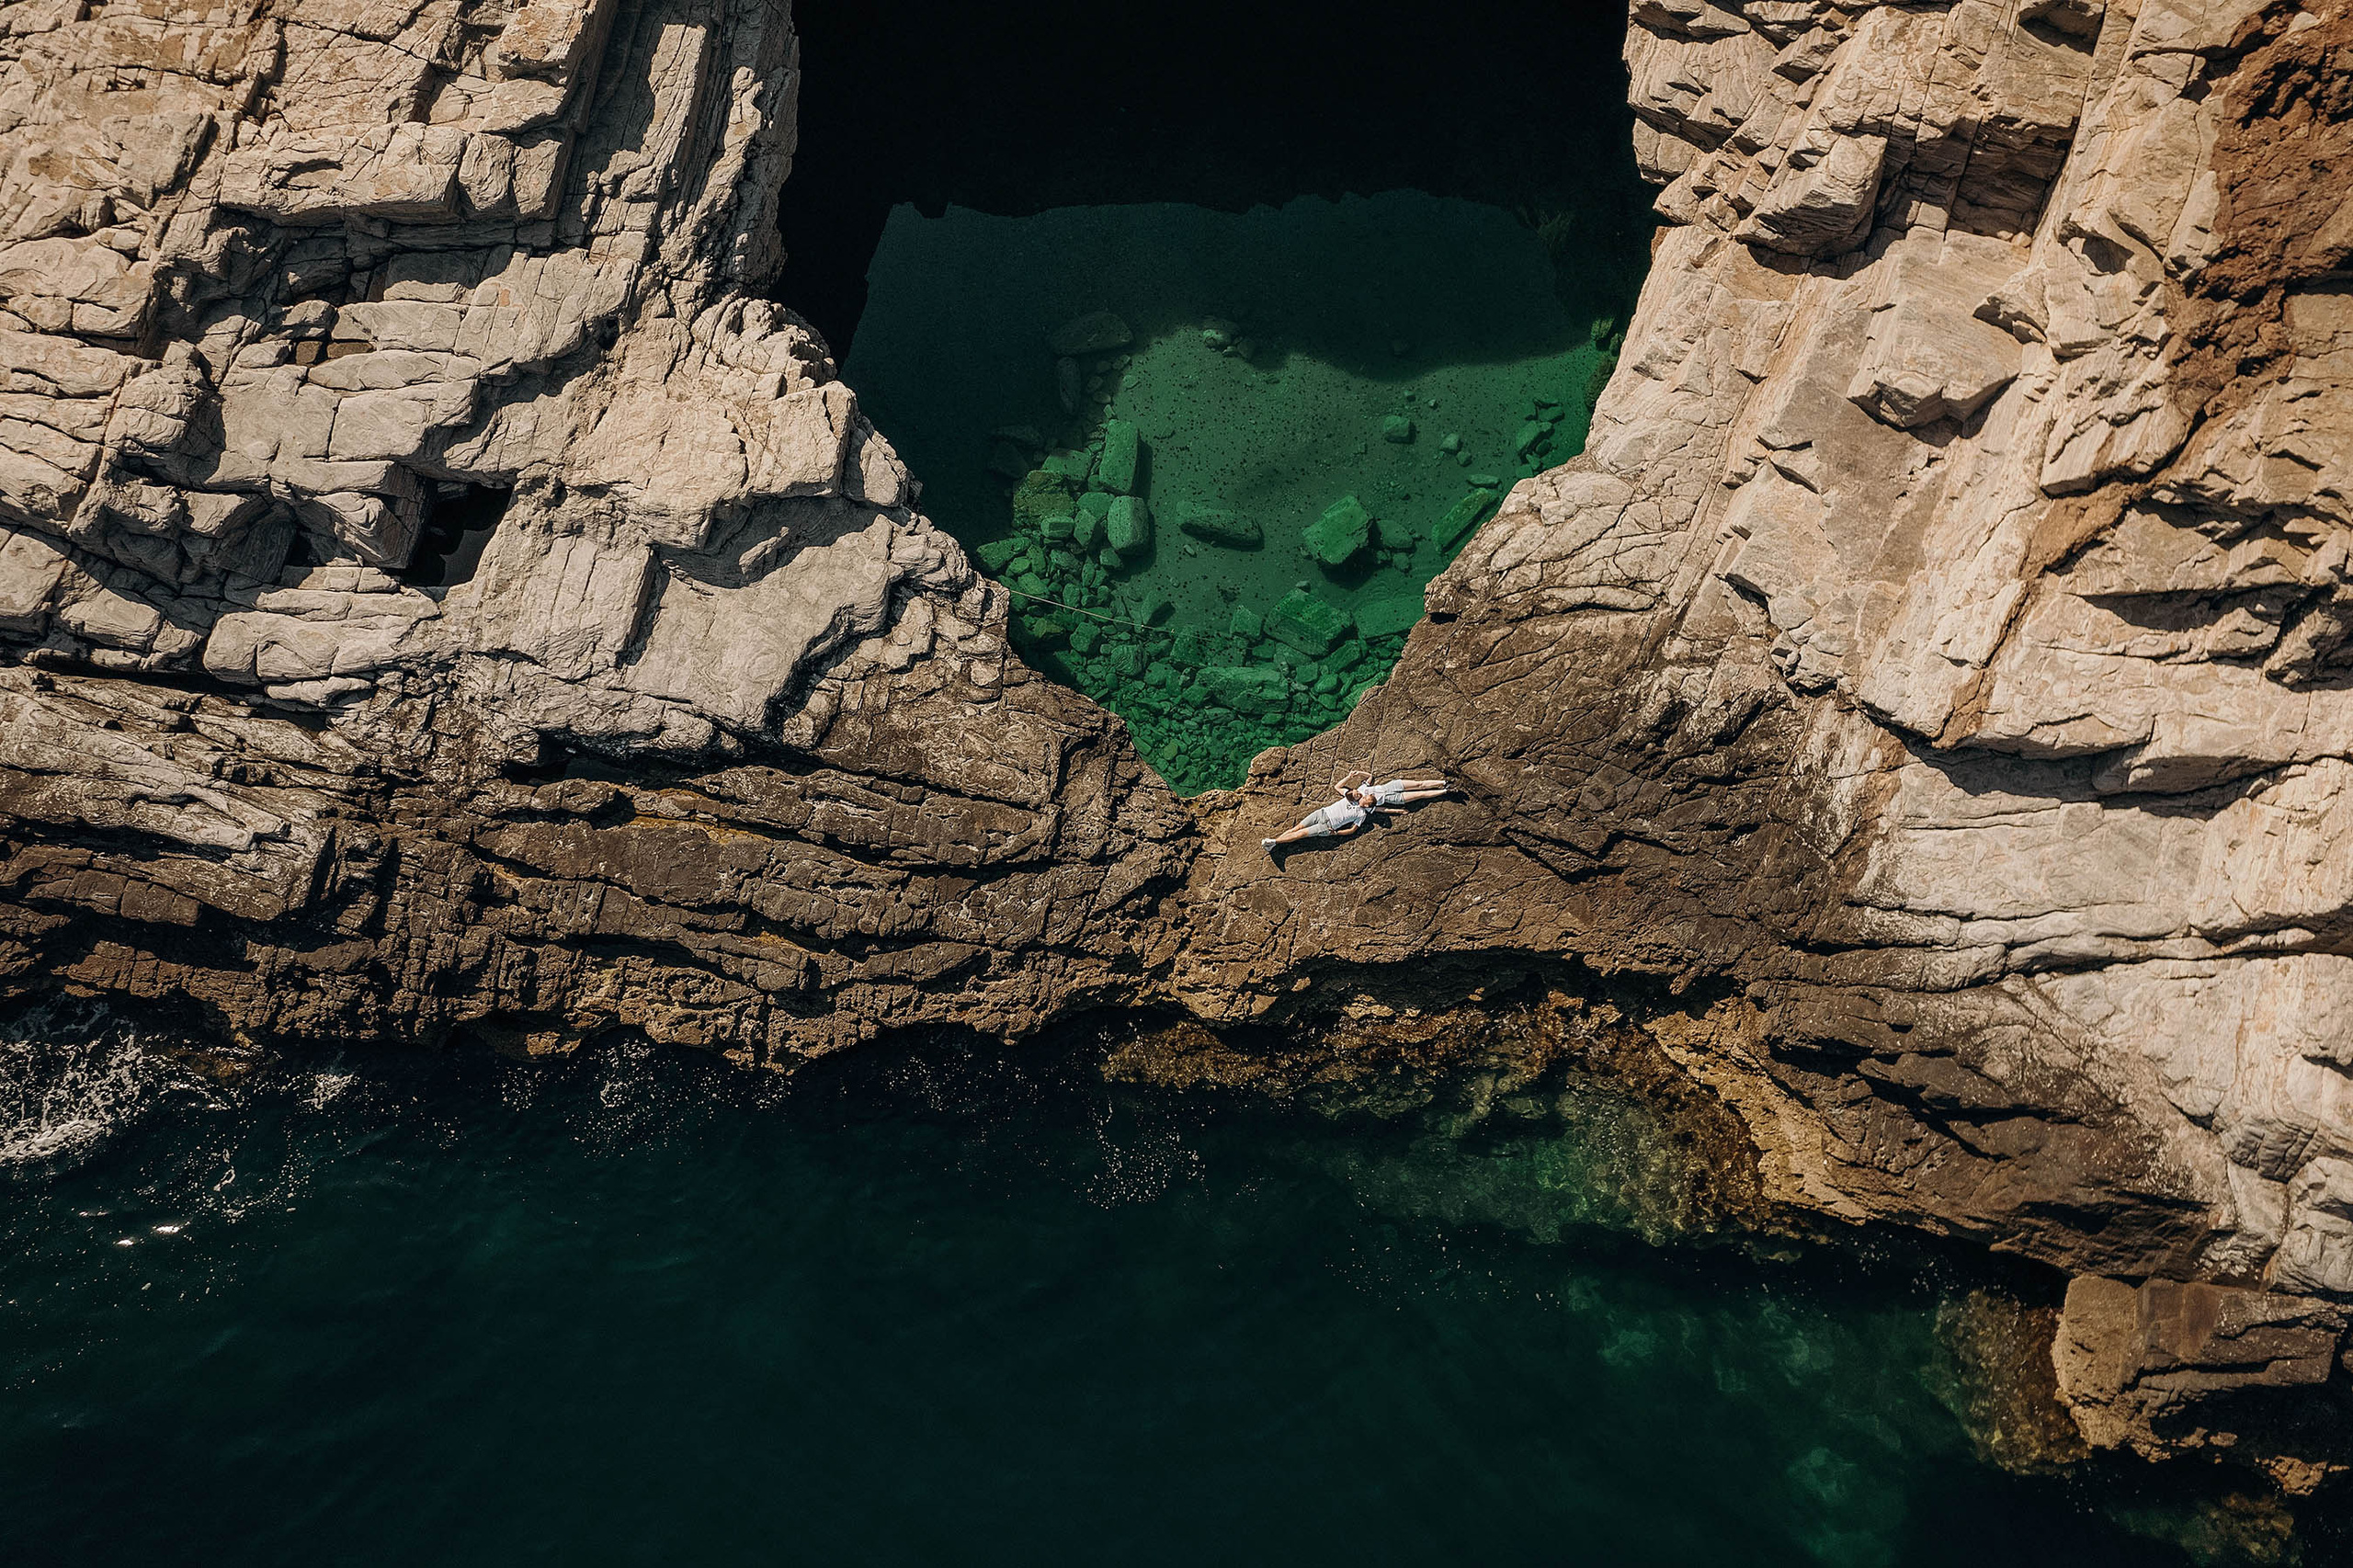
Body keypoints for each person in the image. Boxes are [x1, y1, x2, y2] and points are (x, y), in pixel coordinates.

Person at [1261, 770, 1455, 854]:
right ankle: (1274, 842)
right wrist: (1353, 775)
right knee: (1297, 828)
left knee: (1421, 791)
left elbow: (1381, 810)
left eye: (1365, 800)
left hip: (1330, 824)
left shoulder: (1365, 811)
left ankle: (1444, 787)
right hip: (1323, 813)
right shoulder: (1358, 792)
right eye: (1363, 798)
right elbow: (1363, 780)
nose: (1363, 799)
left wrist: (1397, 812)